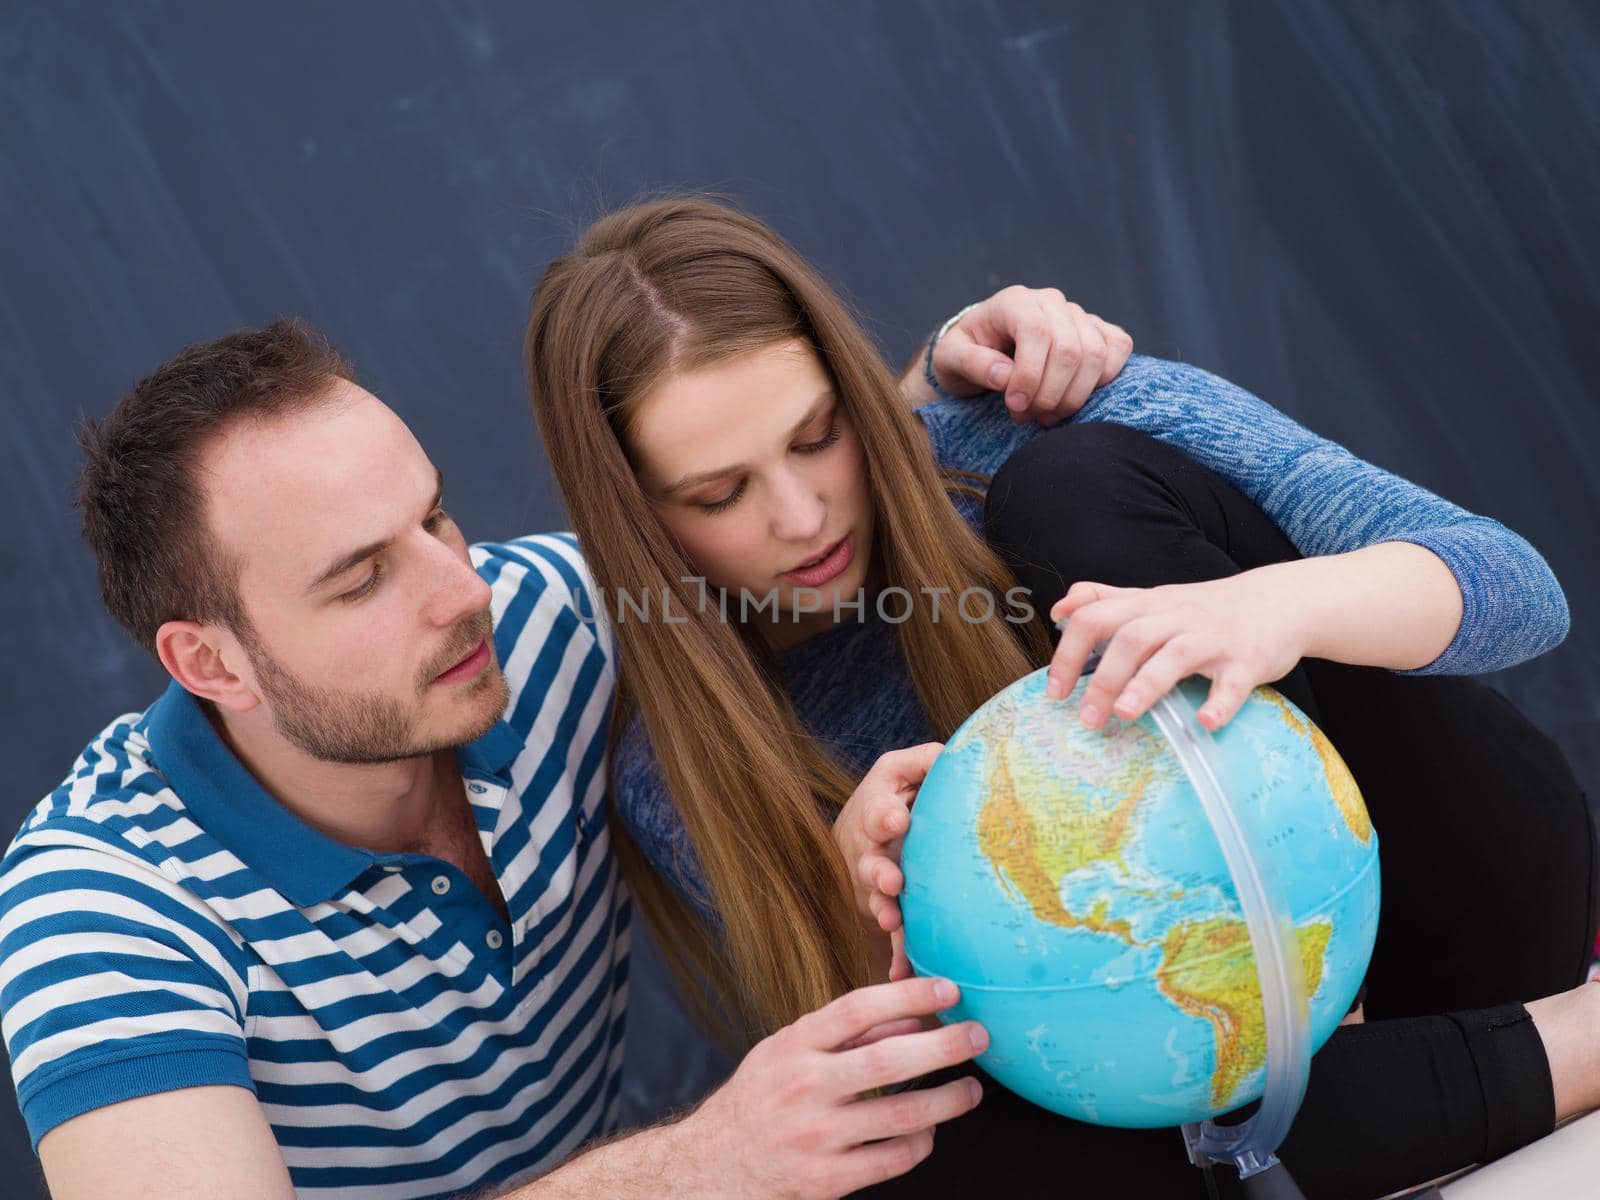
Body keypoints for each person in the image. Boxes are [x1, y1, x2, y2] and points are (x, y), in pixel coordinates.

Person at [523, 197, 1600, 1197]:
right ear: (637, 523)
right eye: (719, 494)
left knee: (1074, 492)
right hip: (1229, 1090)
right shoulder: (682, 774)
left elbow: (1521, 590)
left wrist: (1273, 610)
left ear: (858, 393)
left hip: (1455, 914)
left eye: (818, 437)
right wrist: (857, 906)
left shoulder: (1015, 429)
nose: (801, 517)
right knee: (909, 1137)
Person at [0, 295, 1127, 1199]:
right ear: (210, 666)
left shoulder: (541, 625)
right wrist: (700, 1169)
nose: (461, 592)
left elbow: (775, 518)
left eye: (434, 518)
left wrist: (932, 374)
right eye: (361, 580)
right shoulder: (101, 909)